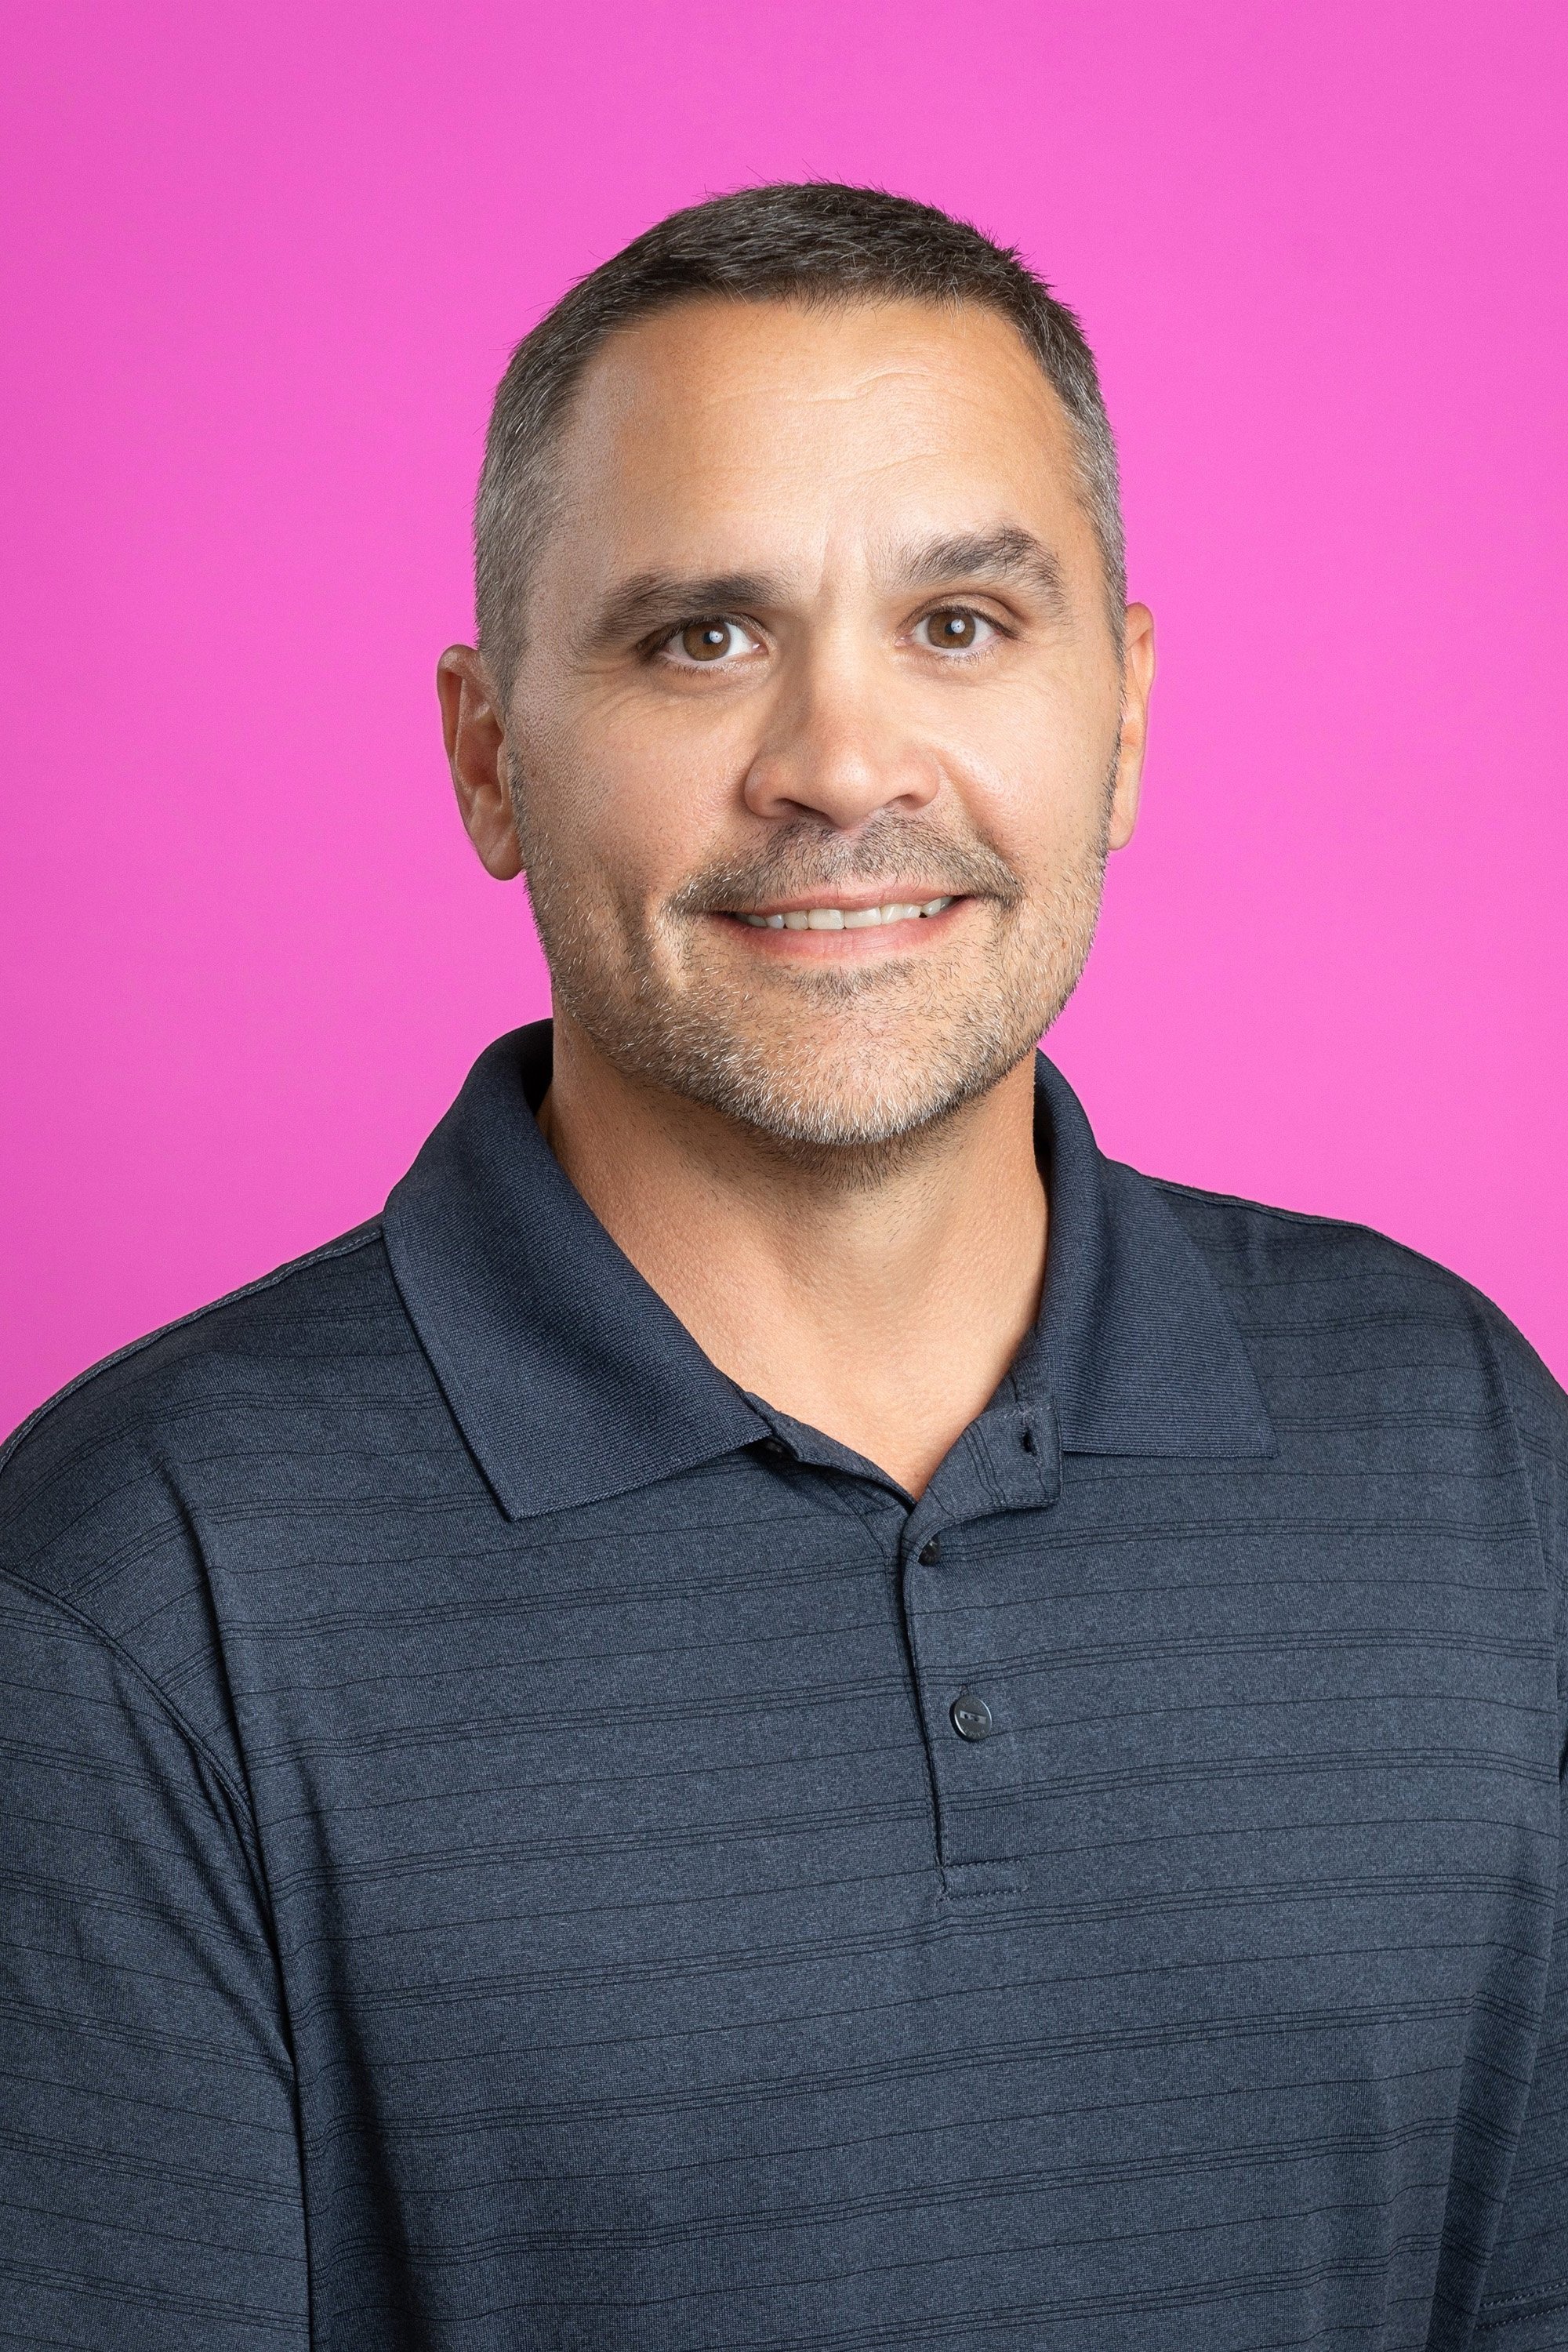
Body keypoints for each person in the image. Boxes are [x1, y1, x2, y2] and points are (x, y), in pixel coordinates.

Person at [2, 181, 1564, 2352]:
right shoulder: (132, 1604)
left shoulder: (1466, 1448)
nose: (841, 765)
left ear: (1122, 713)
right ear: (488, 756)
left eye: (960, 625)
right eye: (700, 636)